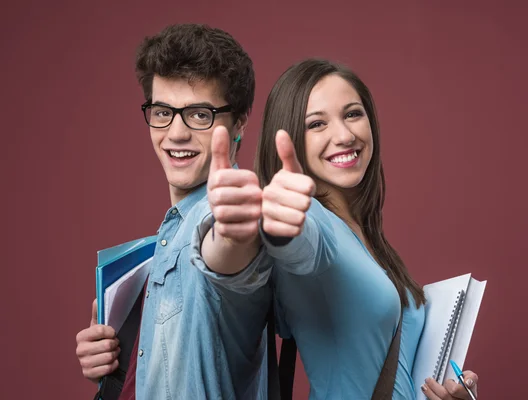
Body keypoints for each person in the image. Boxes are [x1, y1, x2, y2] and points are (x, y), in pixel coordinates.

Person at [254, 59, 481, 399]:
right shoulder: (314, 222)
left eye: (353, 114)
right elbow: (297, 244)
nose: (345, 135)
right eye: (316, 124)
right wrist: (279, 223)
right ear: (288, 138)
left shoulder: (366, 236)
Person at [74, 24, 272, 399]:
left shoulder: (217, 219)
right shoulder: (169, 236)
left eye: (199, 115)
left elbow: (228, 251)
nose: (176, 134)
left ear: (240, 122)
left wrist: (239, 226)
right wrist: (116, 359)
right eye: (163, 111)